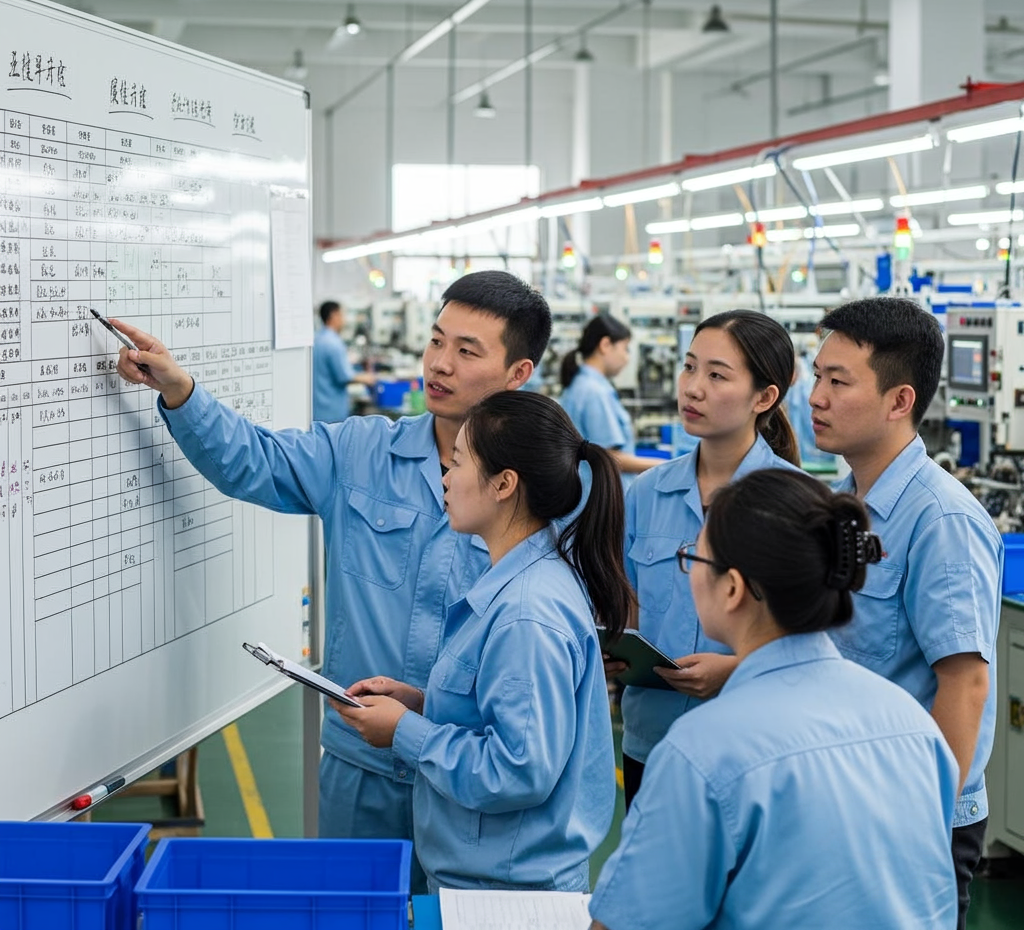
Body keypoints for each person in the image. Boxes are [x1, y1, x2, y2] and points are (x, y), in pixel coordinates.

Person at [111, 271, 552, 894]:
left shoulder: (546, 493)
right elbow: (253, 460)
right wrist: (182, 392)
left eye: (467, 351)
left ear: (518, 373)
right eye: (435, 341)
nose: (440, 364)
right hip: (361, 768)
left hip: (471, 778)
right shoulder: (362, 452)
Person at [589, 468, 960, 930]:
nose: (688, 574)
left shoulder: (704, 750)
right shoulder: (915, 726)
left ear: (732, 588)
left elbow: (628, 921)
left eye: (694, 559)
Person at [334, 391, 633, 892]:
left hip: (506, 891)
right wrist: (424, 705)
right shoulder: (520, 581)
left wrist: (405, 731)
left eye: (456, 464)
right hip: (493, 875)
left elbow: (518, 770)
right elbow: (504, 713)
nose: (444, 479)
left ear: (503, 484)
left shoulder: (525, 613)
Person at [809, 296, 1002, 930]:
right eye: (817, 376)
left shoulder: (939, 519)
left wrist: (920, 817)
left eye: (839, 382)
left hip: (911, 810)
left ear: (900, 401)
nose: (816, 396)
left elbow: (965, 682)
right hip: (845, 791)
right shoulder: (842, 502)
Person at [618, 309, 803, 806]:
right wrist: (615, 652)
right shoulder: (648, 492)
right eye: (689, 367)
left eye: (717, 375)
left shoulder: (795, 499)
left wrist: (736, 669)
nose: (693, 387)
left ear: (764, 397)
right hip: (650, 744)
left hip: (750, 747)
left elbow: (816, 637)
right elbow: (628, 601)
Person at [558, 313, 662, 483]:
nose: (627, 358)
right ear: (605, 345)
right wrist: (664, 466)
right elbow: (608, 457)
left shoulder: (581, 384)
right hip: (603, 498)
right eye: (625, 349)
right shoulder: (594, 392)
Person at [312, 300, 373, 422]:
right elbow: (344, 376)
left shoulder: (316, 338)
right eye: (342, 315)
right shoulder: (333, 343)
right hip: (331, 411)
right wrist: (368, 378)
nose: (344, 320)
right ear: (334, 315)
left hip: (317, 409)